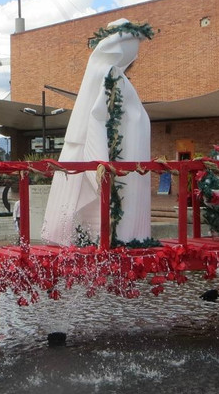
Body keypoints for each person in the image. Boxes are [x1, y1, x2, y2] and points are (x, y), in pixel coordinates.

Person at [41, 19, 153, 246]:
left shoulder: (103, 72)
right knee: (112, 200)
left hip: (114, 153)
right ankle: (115, 234)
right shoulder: (110, 75)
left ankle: (100, 233)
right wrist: (99, 162)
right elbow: (97, 119)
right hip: (114, 157)